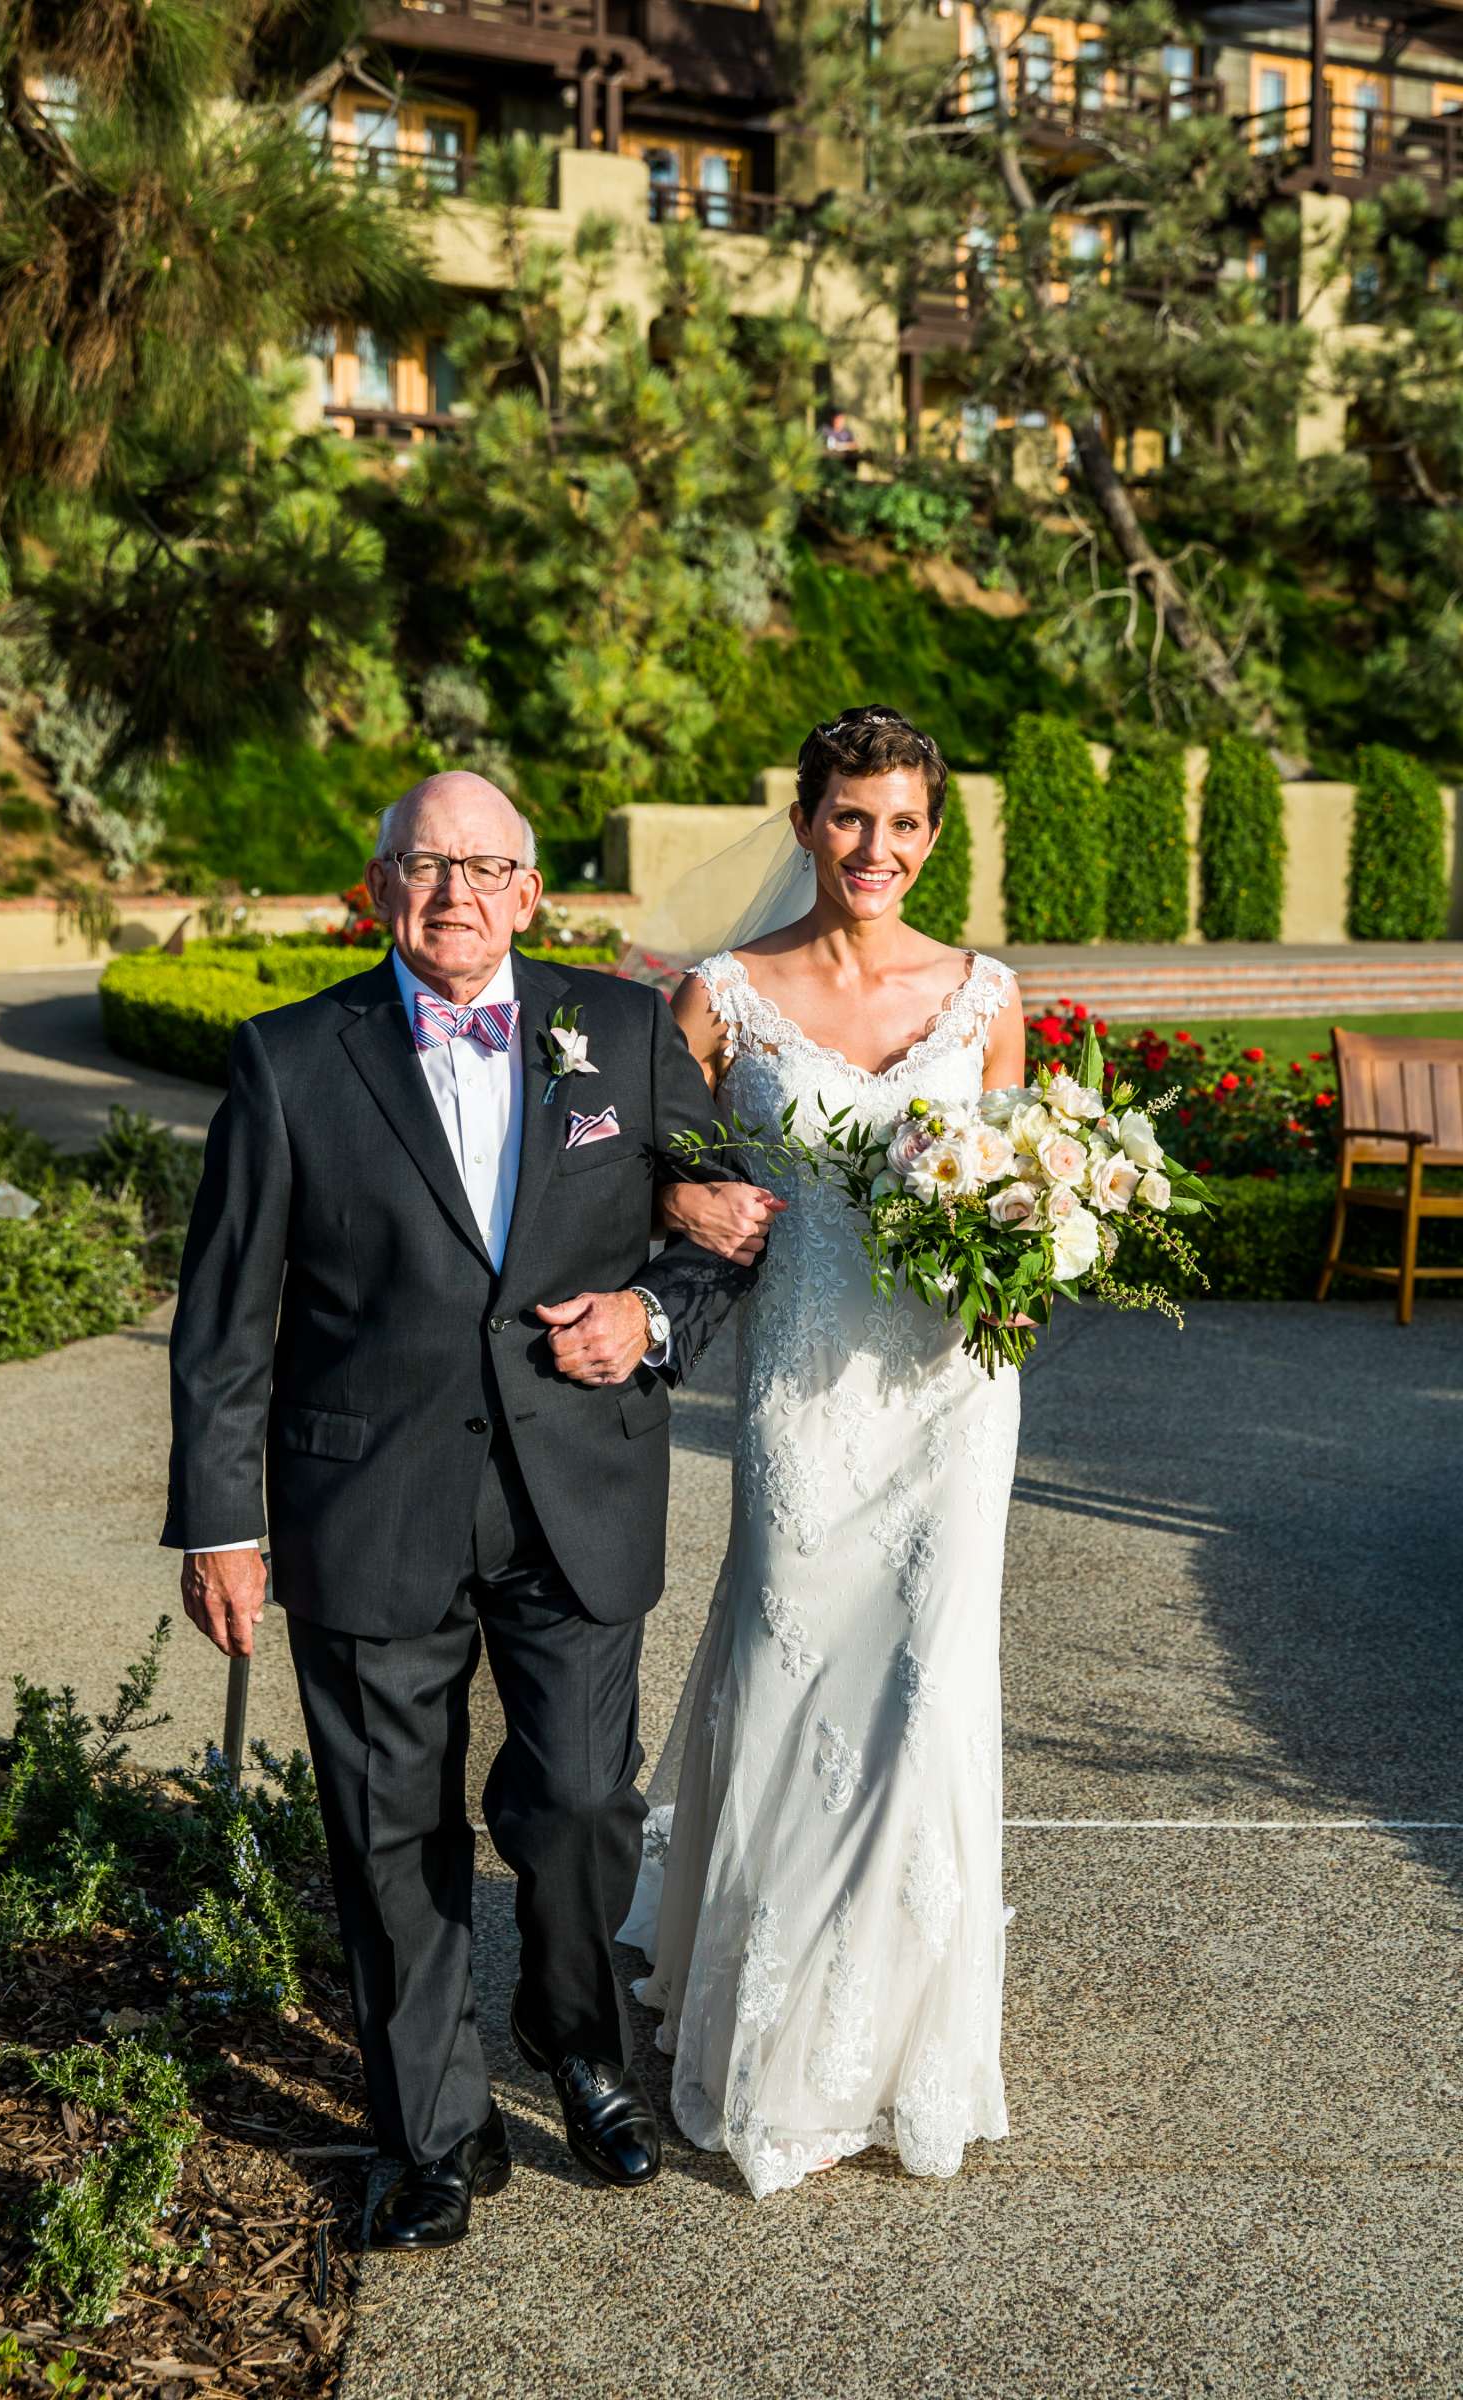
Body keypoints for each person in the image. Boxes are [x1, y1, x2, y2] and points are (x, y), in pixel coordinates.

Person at [164, 773, 755, 2251]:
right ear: (379, 887)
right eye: (427, 867)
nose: (457, 896)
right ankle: (432, 2129)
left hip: (578, 1491)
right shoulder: (291, 1059)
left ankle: (579, 2046)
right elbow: (227, 1314)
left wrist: (648, 1316)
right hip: (365, 1497)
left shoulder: (615, 1032)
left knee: (573, 1806)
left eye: (488, 869)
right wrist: (217, 1523)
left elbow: (729, 1219)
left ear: (533, 892)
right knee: (385, 1830)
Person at [619, 704, 1027, 2198]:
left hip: (951, 1393)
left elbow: (1015, 1177)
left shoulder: (987, 996)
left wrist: (1037, 1244)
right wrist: (680, 1210)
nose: (879, 850)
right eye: (853, 817)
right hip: (801, 1390)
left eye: (906, 823)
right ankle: (767, 2028)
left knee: (928, 1690)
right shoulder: (724, 997)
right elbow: (639, 1175)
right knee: (792, 1671)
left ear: (933, 835)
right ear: (806, 823)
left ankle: (901, 2039)